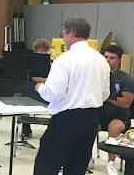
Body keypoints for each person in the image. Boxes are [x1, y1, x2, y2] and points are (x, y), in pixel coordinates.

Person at [33, 16, 110, 175]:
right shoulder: (101, 60)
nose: (63, 38)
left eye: (63, 35)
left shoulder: (65, 59)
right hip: (91, 119)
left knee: (46, 165)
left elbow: (54, 94)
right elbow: (104, 94)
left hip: (66, 120)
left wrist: (41, 87)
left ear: (71, 33)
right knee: (77, 167)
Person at [100, 44, 134, 175]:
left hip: (120, 115)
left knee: (114, 127)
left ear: (119, 60)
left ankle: (111, 163)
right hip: (100, 112)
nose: (107, 60)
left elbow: (126, 103)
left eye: (112, 58)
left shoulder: (126, 79)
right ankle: (86, 158)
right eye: (105, 57)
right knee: (88, 124)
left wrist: (106, 95)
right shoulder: (98, 75)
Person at [22, 38, 52, 139]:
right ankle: (25, 127)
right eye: (40, 50)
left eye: (44, 50)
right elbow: (33, 78)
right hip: (35, 88)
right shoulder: (32, 62)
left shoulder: (51, 63)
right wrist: (46, 81)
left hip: (48, 90)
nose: (42, 52)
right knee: (25, 92)